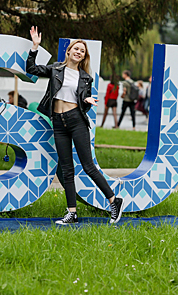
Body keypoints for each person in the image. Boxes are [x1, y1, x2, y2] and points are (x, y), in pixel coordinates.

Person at [26, 26, 123, 224]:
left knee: (88, 166)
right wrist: (35, 47)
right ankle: (72, 212)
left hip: (76, 120)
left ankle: (114, 200)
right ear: (68, 51)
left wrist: (86, 102)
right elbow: (32, 70)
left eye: (82, 51)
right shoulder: (55, 69)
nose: (79, 52)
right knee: (66, 169)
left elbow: (84, 99)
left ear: (83, 56)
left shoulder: (86, 78)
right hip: (58, 122)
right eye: (76, 49)